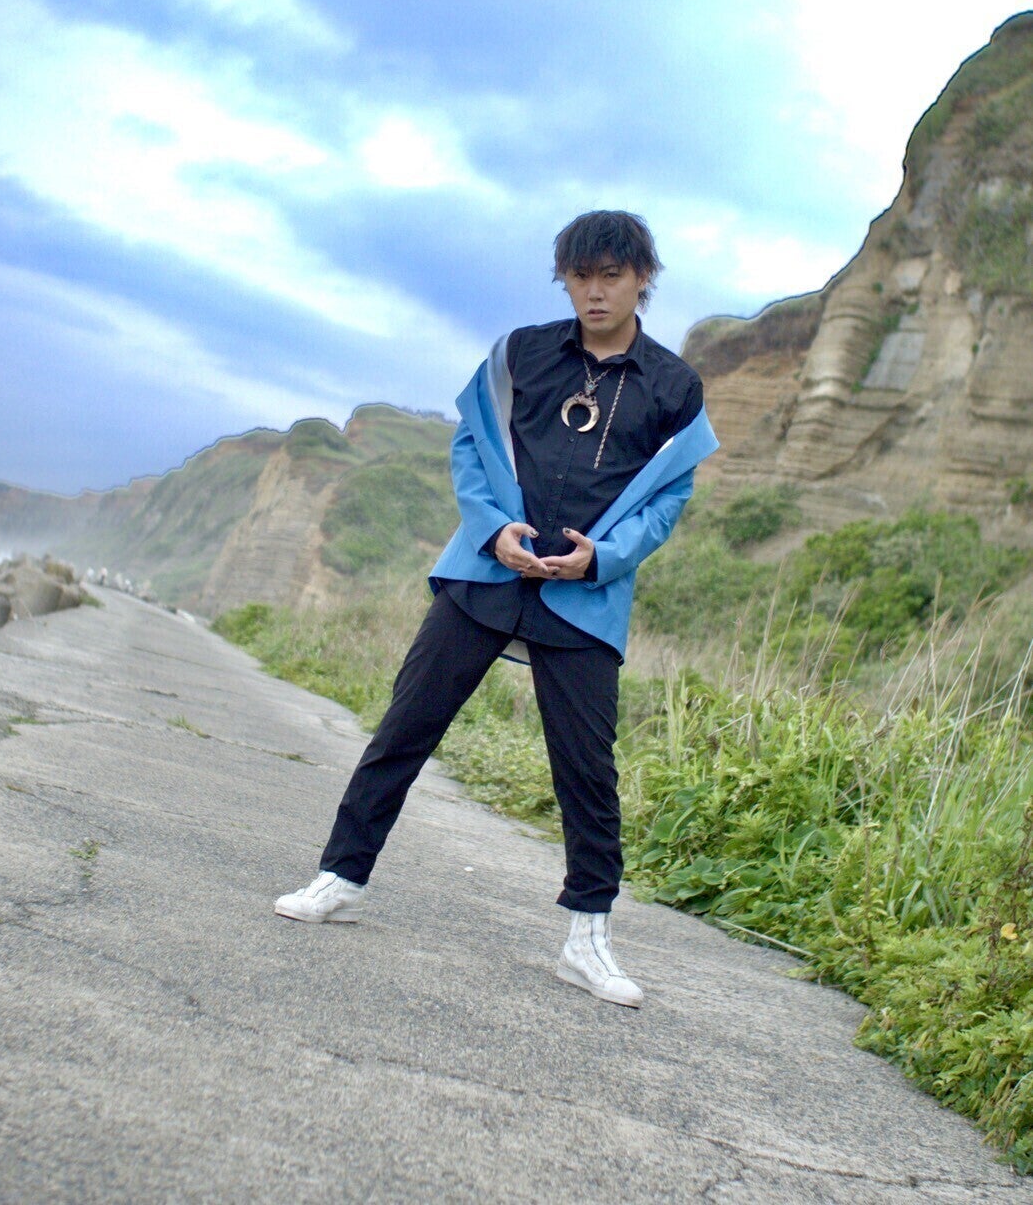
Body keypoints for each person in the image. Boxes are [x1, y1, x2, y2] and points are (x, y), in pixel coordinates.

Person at [275, 210, 717, 1006]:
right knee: (405, 729)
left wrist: (601, 558)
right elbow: (471, 447)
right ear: (564, 279)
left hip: (584, 599)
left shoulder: (673, 387)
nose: (595, 291)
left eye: (611, 276)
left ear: (642, 278)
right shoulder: (521, 353)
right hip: (486, 573)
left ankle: (588, 938)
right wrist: (493, 529)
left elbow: (669, 499)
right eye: (580, 276)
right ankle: (339, 876)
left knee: (588, 772)